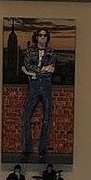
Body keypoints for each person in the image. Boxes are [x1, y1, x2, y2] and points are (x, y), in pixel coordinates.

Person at [20, 29, 55, 162]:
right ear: (36, 37)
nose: (43, 37)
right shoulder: (30, 51)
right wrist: (42, 69)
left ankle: (42, 150)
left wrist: (31, 72)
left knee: (46, 118)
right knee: (26, 118)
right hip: (33, 86)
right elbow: (26, 64)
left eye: (45, 35)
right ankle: (27, 149)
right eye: (40, 35)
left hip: (46, 86)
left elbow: (51, 70)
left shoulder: (51, 52)